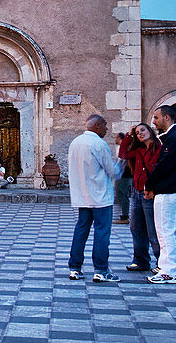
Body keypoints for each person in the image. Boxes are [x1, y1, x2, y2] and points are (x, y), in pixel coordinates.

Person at [67, 114, 125, 283]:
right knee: (102, 232)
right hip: (100, 197)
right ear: (98, 126)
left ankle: (75, 268)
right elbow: (111, 171)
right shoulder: (99, 144)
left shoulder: (75, 142)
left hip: (82, 195)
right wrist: (122, 165)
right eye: (105, 125)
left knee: (81, 230)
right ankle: (101, 269)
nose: (107, 129)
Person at [145, 104, 176, 284]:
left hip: (167, 190)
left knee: (164, 231)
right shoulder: (175, 137)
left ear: (167, 118)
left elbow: (163, 165)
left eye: (156, 118)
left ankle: (168, 269)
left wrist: (149, 184)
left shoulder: (173, 139)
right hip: (174, 190)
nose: (154, 122)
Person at [120, 123, 162, 272]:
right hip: (136, 193)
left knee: (153, 230)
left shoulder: (159, 149)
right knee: (136, 228)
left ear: (150, 130)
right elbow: (123, 153)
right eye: (137, 132)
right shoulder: (138, 151)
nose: (140, 134)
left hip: (149, 193)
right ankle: (141, 261)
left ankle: (161, 263)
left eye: (142, 130)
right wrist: (129, 135)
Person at [114, 132, 132, 224]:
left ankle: (125, 216)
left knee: (122, 194)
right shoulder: (120, 148)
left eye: (116, 137)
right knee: (120, 193)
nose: (114, 139)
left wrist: (119, 172)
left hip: (124, 175)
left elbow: (123, 162)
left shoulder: (125, 148)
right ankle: (123, 214)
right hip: (121, 174)